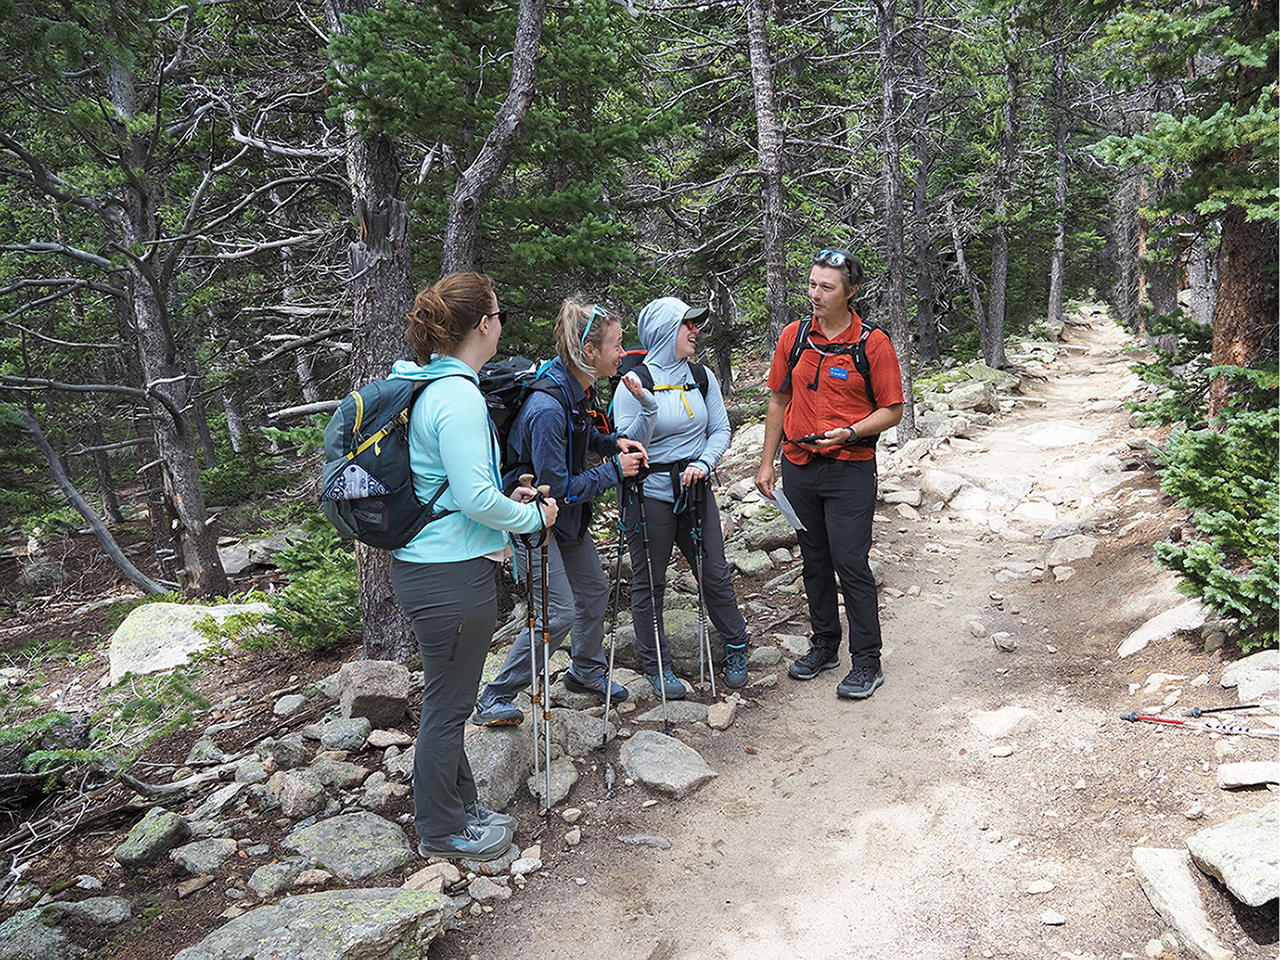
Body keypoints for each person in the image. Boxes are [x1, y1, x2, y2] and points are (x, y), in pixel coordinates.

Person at [388, 271, 559, 862]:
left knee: (449, 698)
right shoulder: (458, 396)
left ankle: (461, 806)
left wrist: (506, 501)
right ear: (485, 325)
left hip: (429, 566)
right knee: (449, 706)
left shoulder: (428, 384)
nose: (501, 324)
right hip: (451, 574)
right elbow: (474, 498)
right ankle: (441, 829)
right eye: (499, 314)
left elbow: (456, 488)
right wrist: (531, 516)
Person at [472, 300, 647, 725]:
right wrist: (615, 470)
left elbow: (582, 434)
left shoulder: (578, 386)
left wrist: (612, 443)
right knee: (558, 613)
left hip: (566, 521)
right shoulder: (547, 408)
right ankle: (495, 695)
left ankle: (585, 671)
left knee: (595, 590)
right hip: (534, 519)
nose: (622, 353)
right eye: (616, 345)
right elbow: (560, 489)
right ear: (589, 351)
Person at [754, 248, 904, 700]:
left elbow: (893, 410)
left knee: (850, 563)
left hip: (850, 468)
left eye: (826, 287)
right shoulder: (794, 336)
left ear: (850, 291)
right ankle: (824, 645)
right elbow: (778, 400)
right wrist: (767, 462)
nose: (815, 294)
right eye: (812, 284)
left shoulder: (872, 344)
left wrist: (850, 432)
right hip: (799, 467)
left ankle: (867, 661)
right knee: (814, 560)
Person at [613, 297, 751, 697]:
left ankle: (736, 645)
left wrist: (704, 463)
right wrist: (647, 405)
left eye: (695, 324)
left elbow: (720, 430)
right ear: (664, 331)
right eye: (687, 324)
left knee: (714, 572)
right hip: (648, 495)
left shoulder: (701, 376)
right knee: (650, 583)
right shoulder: (633, 383)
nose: (695, 331)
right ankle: (657, 665)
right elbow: (628, 444)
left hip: (695, 489)